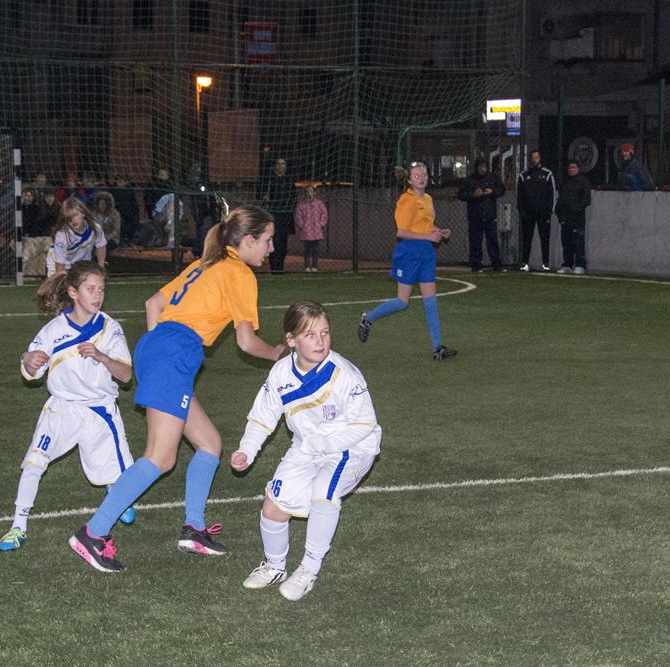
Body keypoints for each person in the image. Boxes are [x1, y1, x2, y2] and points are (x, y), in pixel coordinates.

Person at [68, 205, 287, 573]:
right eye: (267, 240)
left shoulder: (205, 264)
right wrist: (278, 354)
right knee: (160, 457)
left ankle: (193, 529)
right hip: (172, 355)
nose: (271, 248)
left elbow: (153, 303)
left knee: (210, 444)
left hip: (161, 350)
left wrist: (160, 349)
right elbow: (247, 342)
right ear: (248, 240)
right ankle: (93, 532)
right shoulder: (239, 272)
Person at [231, 301, 381, 601]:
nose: (321, 341)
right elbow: (262, 417)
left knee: (324, 491)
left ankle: (308, 570)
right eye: (310, 335)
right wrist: (246, 449)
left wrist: (324, 445)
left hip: (352, 447)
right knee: (274, 505)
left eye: (325, 332)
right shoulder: (280, 373)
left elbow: (365, 424)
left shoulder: (344, 374)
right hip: (307, 446)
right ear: (291, 340)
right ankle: (275, 566)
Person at [0, 261, 137, 552]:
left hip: (99, 412)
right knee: (34, 463)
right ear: (73, 292)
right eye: (90, 289)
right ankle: (18, 526)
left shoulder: (110, 329)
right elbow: (32, 371)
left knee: (125, 492)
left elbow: (126, 375)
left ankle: (114, 487)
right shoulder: (53, 330)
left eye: (101, 289)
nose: (97, 295)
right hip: (61, 410)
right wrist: (27, 360)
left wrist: (101, 356)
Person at [357, 162, 456, 361]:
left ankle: (438, 348)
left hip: (426, 254)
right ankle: (368, 319)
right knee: (402, 302)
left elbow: (424, 225)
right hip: (409, 253)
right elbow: (401, 232)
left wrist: (439, 231)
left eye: (424, 174)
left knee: (431, 301)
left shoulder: (428, 199)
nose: (422, 178)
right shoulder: (406, 200)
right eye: (417, 175)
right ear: (410, 180)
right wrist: (428, 236)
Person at [457, 157, 505, 272]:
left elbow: (502, 189)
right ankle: (476, 264)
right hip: (475, 216)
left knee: (492, 241)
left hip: (490, 216)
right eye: (480, 166)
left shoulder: (493, 178)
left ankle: (496, 264)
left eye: (484, 166)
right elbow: (461, 194)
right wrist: (473, 194)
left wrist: (492, 192)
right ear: (476, 167)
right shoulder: (469, 180)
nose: (483, 169)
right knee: (475, 242)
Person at [45, 197, 107, 277]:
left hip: (82, 264)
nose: (73, 220)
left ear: (83, 213)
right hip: (58, 263)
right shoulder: (62, 236)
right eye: (69, 218)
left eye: (75, 215)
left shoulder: (95, 228)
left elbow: (101, 246)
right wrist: (59, 278)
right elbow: (60, 266)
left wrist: (101, 269)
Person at [516, 149, 556, 272]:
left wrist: (549, 210)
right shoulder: (523, 175)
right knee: (527, 239)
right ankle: (525, 263)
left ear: (540, 158)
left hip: (543, 213)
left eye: (537, 157)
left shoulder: (547, 174)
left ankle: (545, 263)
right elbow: (519, 196)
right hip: (528, 213)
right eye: (533, 158)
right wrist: (522, 211)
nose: (535, 160)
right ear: (530, 159)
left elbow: (552, 194)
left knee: (545, 238)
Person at [554, 160, 591, 275]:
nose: (571, 170)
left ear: (578, 168)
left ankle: (580, 265)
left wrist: (576, 209)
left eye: (574, 167)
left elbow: (586, 200)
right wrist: (559, 211)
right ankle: (567, 264)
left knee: (578, 242)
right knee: (566, 243)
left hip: (577, 218)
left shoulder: (583, 181)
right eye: (570, 167)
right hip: (565, 218)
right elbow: (561, 198)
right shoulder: (565, 182)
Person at [261, 157, 296, 274]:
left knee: (283, 241)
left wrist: (289, 208)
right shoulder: (269, 180)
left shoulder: (289, 180)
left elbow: (294, 197)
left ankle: (281, 266)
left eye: (283, 164)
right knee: (274, 240)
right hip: (273, 213)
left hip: (285, 214)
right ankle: (274, 267)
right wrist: (265, 198)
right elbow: (261, 195)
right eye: (278, 164)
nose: (281, 166)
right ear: (275, 166)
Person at [294, 184, 327, 272]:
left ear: (315, 193)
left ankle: (315, 266)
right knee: (307, 249)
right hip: (307, 230)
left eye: (311, 191)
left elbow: (324, 214)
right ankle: (307, 266)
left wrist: (321, 224)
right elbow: (298, 216)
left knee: (316, 249)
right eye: (307, 191)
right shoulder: (302, 205)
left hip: (316, 230)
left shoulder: (319, 204)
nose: (309, 193)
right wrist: (302, 225)